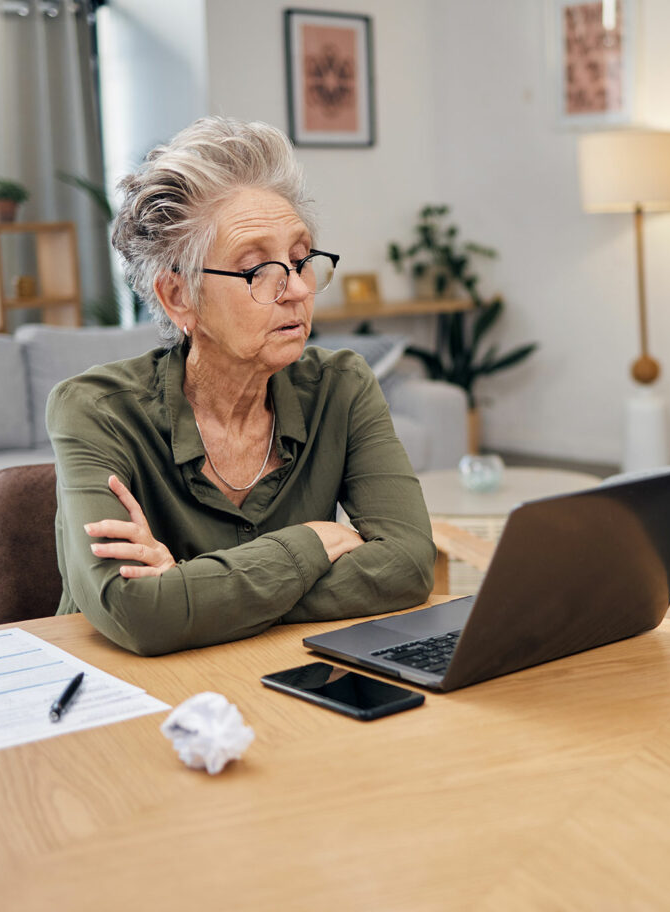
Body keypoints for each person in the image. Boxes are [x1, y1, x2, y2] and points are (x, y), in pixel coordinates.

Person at [47, 116, 435, 656]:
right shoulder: (93, 410)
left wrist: (187, 590)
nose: (297, 289)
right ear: (179, 296)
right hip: (119, 697)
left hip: (280, 682)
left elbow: (411, 565)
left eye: (300, 261)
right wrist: (312, 544)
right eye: (256, 271)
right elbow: (135, 613)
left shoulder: (341, 387)